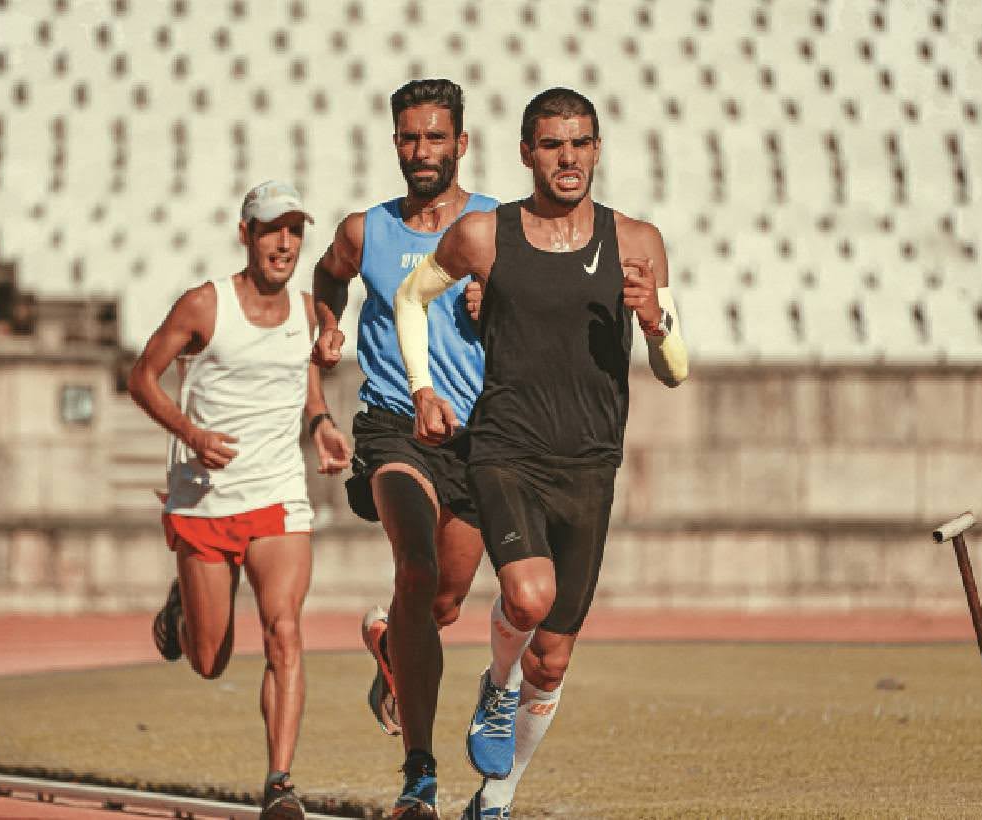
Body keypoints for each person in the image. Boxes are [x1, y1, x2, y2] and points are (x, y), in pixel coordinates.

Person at [393, 87, 689, 819]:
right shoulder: (484, 235)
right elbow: (409, 298)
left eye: (580, 143)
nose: (568, 158)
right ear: (527, 152)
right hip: (507, 448)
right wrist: (422, 387)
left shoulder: (638, 241)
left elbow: (675, 369)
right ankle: (496, 686)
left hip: (590, 463)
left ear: (597, 149)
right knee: (528, 596)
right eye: (552, 144)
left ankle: (496, 797)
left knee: (553, 659)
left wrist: (656, 324)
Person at [130, 180, 351, 820]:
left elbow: (306, 383)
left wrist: (321, 425)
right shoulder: (205, 305)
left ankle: (280, 784)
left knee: (285, 631)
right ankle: (183, 611)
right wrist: (191, 434)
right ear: (245, 235)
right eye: (271, 229)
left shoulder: (308, 313)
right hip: (205, 499)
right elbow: (141, 378)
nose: (284, 243)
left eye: (294, 230)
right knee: (209, 660)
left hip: (277, 494)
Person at [312, 78, 499, 819]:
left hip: (478, 435)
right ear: (395, 142)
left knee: (442, 602)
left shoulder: (496, 225)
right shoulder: (366, 230)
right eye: (410, 137)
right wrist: (328, 323)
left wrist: (494, 300)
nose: (422, 150)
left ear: (461, 143)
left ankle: (392, 648)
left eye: (435, 136)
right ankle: (419, 773)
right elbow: (327, 275)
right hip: (394, 425)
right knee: (415, 569)